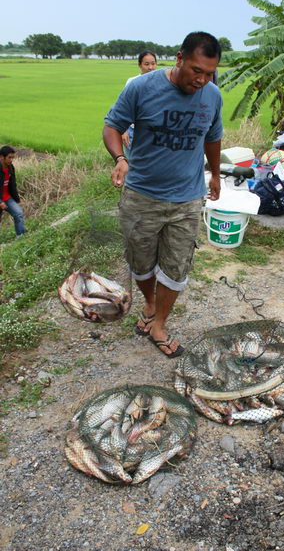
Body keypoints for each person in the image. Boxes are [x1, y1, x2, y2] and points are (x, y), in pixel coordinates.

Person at [103, 32, 223, 357]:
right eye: (196, 70)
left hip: (187, 196)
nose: (201, 80)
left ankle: (160, 324)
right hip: (142, 194)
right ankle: (150, 302)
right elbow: (112, 126)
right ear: (179, 57)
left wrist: (215, 174)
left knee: (176, 266)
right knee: (141, 263)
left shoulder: (212, 96)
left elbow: (213, 137)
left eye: (209, 73)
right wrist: (120, 160)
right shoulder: (142, 88)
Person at [121, 50, 158, 152]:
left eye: (153, 64)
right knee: (133, 165)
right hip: (134, 132)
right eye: (146, 64)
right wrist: (123, 130)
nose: (150, 67)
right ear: (140, 65)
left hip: (155, 133)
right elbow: (124, 108)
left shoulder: (162, 83)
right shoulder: (132, 82)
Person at [0, 145, 26, 237]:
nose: (11, 160)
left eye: (13, 157)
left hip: (7, 198)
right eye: (9, 157)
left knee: (18, 213)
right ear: (1, 157)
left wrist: (17, 200)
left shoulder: (11, 168)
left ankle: (21, 237)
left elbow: (13, 185)